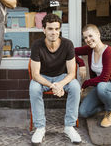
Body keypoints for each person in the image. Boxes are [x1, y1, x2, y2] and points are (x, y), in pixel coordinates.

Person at [29, 13, 82, 145]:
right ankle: (40, 128)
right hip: (43, 78)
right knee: (34, 87)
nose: (54, 32)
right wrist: (52, 86)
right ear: (44, 30)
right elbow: (35, 74)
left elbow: (72, 73)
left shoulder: (68, 44)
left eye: (57, 29)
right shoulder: (37, 45)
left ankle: (69, 127)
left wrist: (60, 84)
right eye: (50, 29)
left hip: (62, 77)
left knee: (75, 86)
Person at [75, 24, 111, 128]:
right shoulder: (90, 49)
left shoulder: (109, 52)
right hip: (101, 89)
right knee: (83, 112)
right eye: (85, 37)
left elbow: (104, 78)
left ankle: (110, 111)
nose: (88, 40)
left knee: (102, 85)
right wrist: (81, 63)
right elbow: (71, 51)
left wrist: (85, 84)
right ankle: (110, 104)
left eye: (90, 36)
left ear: (98, 34)